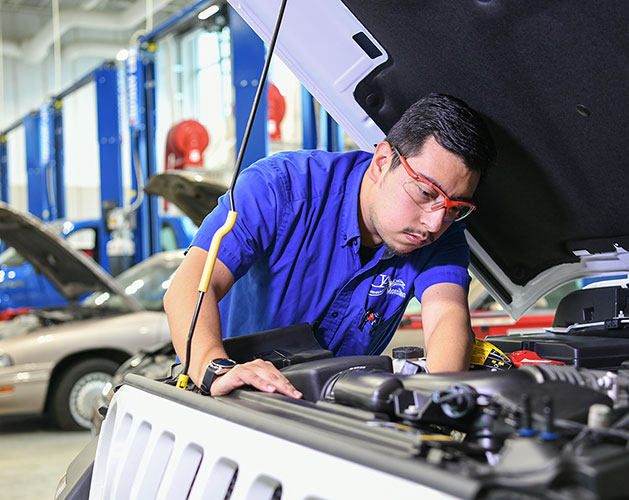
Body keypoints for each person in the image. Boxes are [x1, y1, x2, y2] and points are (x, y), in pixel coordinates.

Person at [163, 93, 495, 397]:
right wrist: (215, 367)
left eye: (454, 208)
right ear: (382, 163)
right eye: (425, 193)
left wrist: (438, 401)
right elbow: (188, 288)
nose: (434, 223)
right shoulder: (280, 188)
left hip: (330, 419)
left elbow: (446, 316)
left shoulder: (442, 232)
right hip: (234, 399)